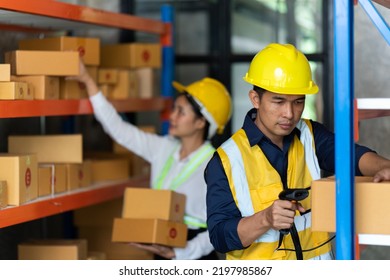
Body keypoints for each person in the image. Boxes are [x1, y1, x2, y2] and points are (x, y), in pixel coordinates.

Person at [205, 43, 390, 260]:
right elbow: (219, 236)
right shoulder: (227, 160)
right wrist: (265, 219)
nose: (289, 114)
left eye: (298, 102)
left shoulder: (310, 135)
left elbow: (352, 156)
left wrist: (384, 167)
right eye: (279, 101)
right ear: (255, 99)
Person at [68, 62, 232, 260]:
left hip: (194, 253)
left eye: (181, 112)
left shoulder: (216, 166)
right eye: (174, 109)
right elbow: (118, 129)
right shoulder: (163, 148)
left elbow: (224, 225)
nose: (172, 116)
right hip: (161, 245)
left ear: (200, 122)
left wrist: (183, 251)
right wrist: (87, 80)